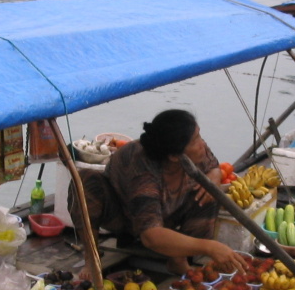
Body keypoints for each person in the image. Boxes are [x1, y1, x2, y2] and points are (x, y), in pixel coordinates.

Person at [67, 109, 246, 278]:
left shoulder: (194, 152)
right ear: (174, 156)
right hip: (125, 214)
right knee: (84, 182)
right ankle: (92, 257)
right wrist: (210, 247)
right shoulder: (143, 171)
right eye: (196, 140)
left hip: (166, 213)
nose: (203, 144)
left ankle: (178, 260)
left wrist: (213, 178)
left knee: (208, 192)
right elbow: (151, 236)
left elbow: (213, 165)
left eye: (199, 136)